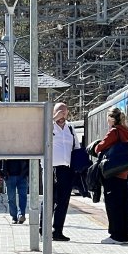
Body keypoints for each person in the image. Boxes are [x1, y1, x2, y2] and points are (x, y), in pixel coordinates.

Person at [89, 106, 128, 244]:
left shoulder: (114, 132)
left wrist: (97, 145)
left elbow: (99, 148)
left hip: (112, 173)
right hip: (123, 173)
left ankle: (115, 236)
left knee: (112, 205)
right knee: (122, 206)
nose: (107, 121)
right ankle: (123, 235)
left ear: (112, 119)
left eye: (108, 118)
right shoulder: (126, 132)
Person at [49, 102, 78, 242]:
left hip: (66, 169)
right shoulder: (49, 126)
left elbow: (76, 148)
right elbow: (39, 133)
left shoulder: (70, 128)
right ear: (54, 112)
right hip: (51, 167)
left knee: (63, 201)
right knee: (49, 199)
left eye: (64, 112)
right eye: (59, 111)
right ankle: (44, 228)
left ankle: (57, 230)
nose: (62, 114)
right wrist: (54, 119)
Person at [0, 158, 30, 224]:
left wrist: (27, 171)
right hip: (9, 176)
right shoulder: (5, 148)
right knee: (11, 198)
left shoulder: (23, 147)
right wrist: (0, 172)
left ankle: (21, 215)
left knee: (23, 196)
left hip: (22, 175)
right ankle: (14, 217)